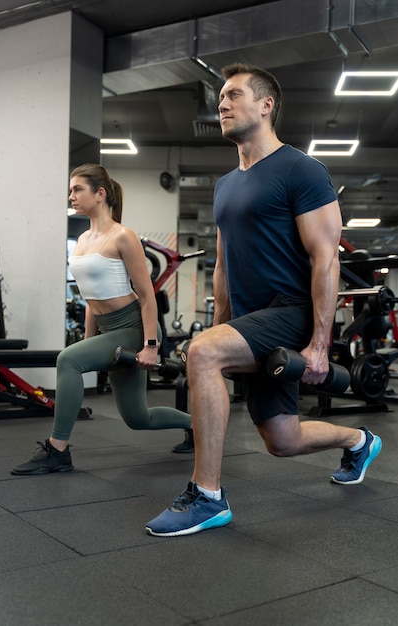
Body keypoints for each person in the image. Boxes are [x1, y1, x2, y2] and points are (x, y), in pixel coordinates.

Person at [145, 63, 382, 537]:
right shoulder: (225, 184)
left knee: (203, 352)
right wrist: (222, 324)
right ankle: (360, 440)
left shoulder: (301, 168)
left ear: (266, 104)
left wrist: (319, 343)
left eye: (233, 95)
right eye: (220, 99)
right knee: (283, 439)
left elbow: (325, 259)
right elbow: (224, 265)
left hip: (291, 310)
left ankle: (207, 497)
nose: (222, 104)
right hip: (254, 318)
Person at [11, 163, 191, 475]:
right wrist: (88, 344)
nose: (71, 196)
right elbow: (90, 300)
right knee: (138, 419)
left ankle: (57, 451)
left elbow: (148, 297)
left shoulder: (123, 236)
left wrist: (150, 346)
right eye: (70, 190)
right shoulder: (81, 241)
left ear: (100, 193)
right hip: (109, 331)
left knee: (67, 360)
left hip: (135, 328)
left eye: (77, 189)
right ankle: (199, 425)